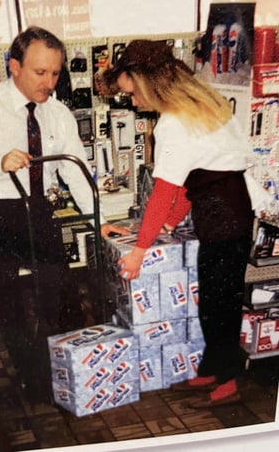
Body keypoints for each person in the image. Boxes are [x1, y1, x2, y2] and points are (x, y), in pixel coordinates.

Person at [0, 26, 126, 402]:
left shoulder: (57, 113)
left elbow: (74, 172)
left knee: (58, 289)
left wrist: (98, 218)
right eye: (41, 72)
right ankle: (30, 379)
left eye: (55, 73)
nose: (49, 82)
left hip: (38, 208)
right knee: (7, 301)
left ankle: (62, 369)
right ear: (15, 67)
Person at [101, 38, 258, 408]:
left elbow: (164, 192)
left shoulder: (173, 123)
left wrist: (139, 251)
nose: (134, 102)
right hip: (229, 207)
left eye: (133, 93)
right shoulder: (204, 105)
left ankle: (228, 384)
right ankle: (212, 369)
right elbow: (189, 182)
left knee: (220, 303)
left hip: (221, 214)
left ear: (147, 83)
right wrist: (166, 226)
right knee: (216, 300)